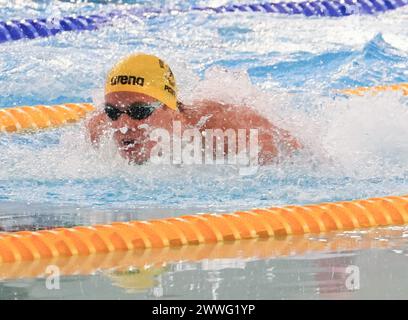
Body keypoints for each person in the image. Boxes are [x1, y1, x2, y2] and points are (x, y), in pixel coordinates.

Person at [87, 53, 301, 165]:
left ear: (169, 108)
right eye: (113, 112)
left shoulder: (224, 129)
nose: (123, 126)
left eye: (140, 112)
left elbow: (295, 156)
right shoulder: (99, 128)